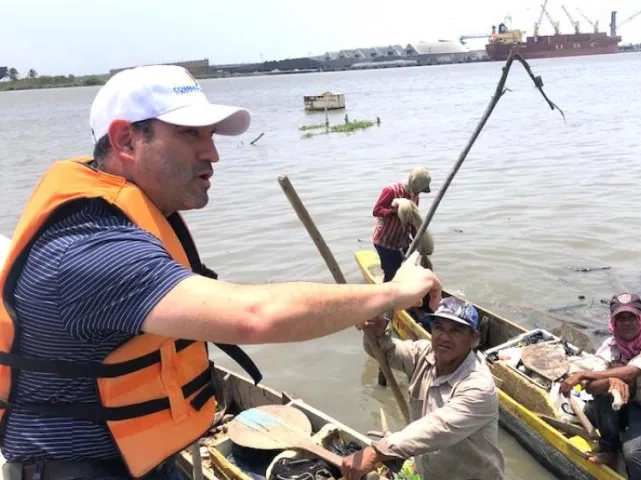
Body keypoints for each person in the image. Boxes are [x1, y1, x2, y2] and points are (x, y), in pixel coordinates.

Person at [0, 64, 441, 480]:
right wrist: (393, 292)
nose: (212, 153)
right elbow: (255, 315)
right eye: (190, 134)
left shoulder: (131, 217)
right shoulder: (92, 248)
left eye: (210, 135)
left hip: (137, 461)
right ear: (126, 140)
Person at [341, 296, 505, 480]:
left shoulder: (479, 387)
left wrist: (376, 452)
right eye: (438, 327)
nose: (443, 337)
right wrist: (377, 331)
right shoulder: (424, 354)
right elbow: (382, 352)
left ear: (473, 338)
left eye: (455, 331)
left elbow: (436, 429)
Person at [560, 293, 641, 480]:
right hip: (622, 408)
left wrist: (582, 374)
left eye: (631, 317)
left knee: (633, 454)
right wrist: (611, 381)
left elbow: (630, 373)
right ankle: (609, 449)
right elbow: (589, 388)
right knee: (602, 389)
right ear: (613, 322)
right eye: (621, 318)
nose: (626, 323)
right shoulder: (610, 346)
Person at [371, 167, 431, 283]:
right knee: (391, 272)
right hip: (385, 241)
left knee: (407, 268)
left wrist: (418, 241)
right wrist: (394, 212)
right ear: (414, 183)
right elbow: (376, 211)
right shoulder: (391, 191)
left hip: (402, 240)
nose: (419, 192)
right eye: (420, 189)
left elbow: (413, 221)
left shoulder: (415, 196)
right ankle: (387, 295)